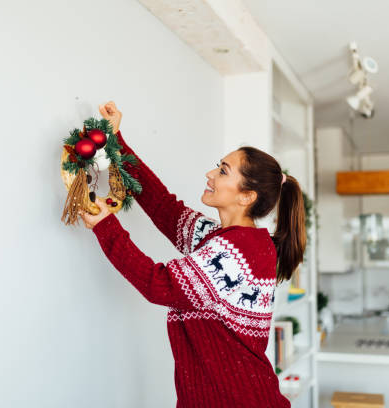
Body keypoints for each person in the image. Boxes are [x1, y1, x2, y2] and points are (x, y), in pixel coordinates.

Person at [79, 102, 305, 408]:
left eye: (223, 171)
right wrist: (117, 140)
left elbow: (158, 285)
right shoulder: (225, 239)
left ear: (246, 196)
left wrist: (106, 227)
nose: (210, 174)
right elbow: (164, 208)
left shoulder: (238, 250)